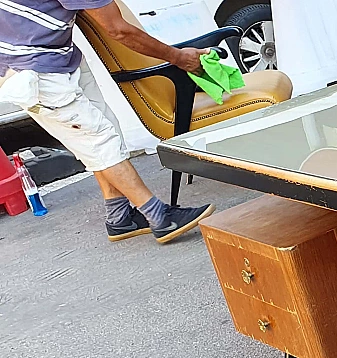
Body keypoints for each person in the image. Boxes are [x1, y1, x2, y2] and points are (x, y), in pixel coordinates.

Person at [0, 0, 214, 243]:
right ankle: (160, 217)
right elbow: (117, 29)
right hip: (36, 73)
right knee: (97, 139)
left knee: (102, 134)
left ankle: (119, 216)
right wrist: (177, 57)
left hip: (55, 57)